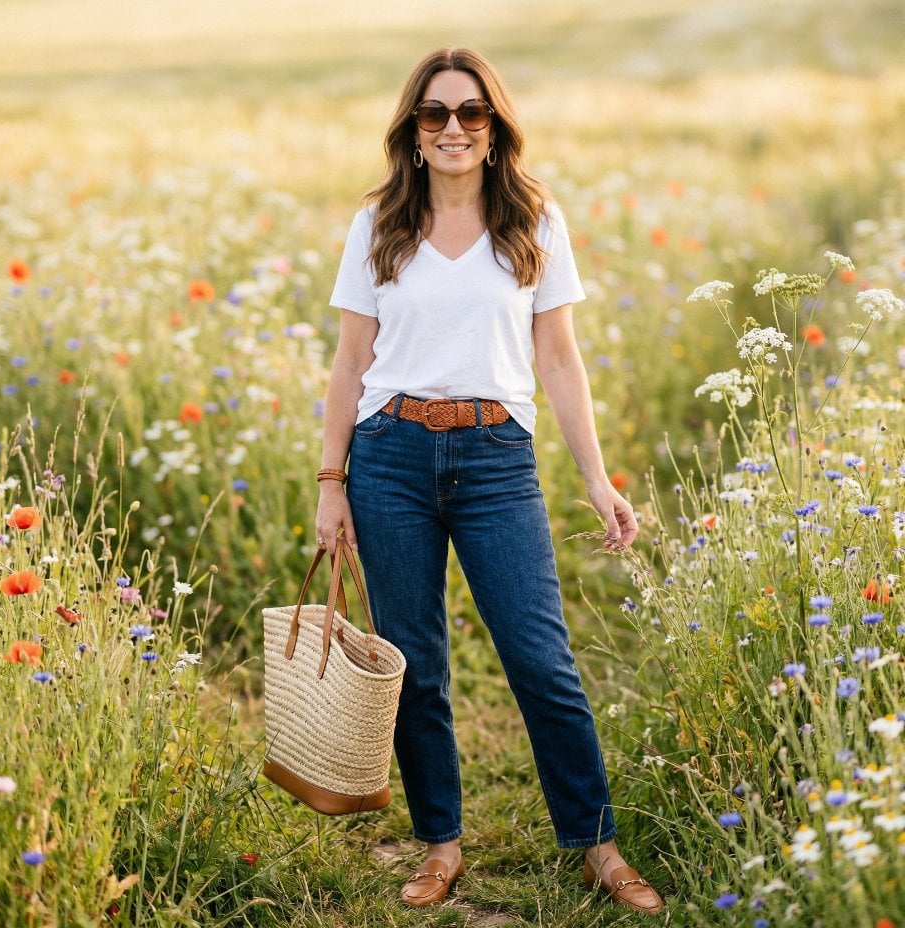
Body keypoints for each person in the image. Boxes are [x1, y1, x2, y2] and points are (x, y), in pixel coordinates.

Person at [314, 47, 663, 916]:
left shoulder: (535, 221)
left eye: (472, 113)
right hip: (389, 457)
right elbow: (351, 361)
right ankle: (441, 845)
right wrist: (331, 481)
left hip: (498, 458)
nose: (455, 128)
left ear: (496, 128)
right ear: (415, 131)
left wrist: (597, 480)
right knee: (417, 666)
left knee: (542, 662)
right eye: (435, 115)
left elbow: (559, 356)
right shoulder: (380, 225)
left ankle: (596, 844)